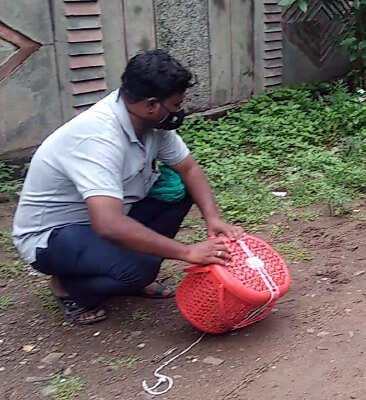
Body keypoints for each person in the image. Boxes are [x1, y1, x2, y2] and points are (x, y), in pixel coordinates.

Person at [12, 49, 243, 325]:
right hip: (53, 237)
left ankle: (123, 266)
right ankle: (67, 288)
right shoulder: (98, 138)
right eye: (177, 105)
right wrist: (187, 251)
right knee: (140, 269)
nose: (180, 112)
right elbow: (108, 225)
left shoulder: (153, 124)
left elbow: (189, 169)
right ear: (151, 105)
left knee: (180, 189)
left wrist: (213, 218)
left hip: (101, 220)